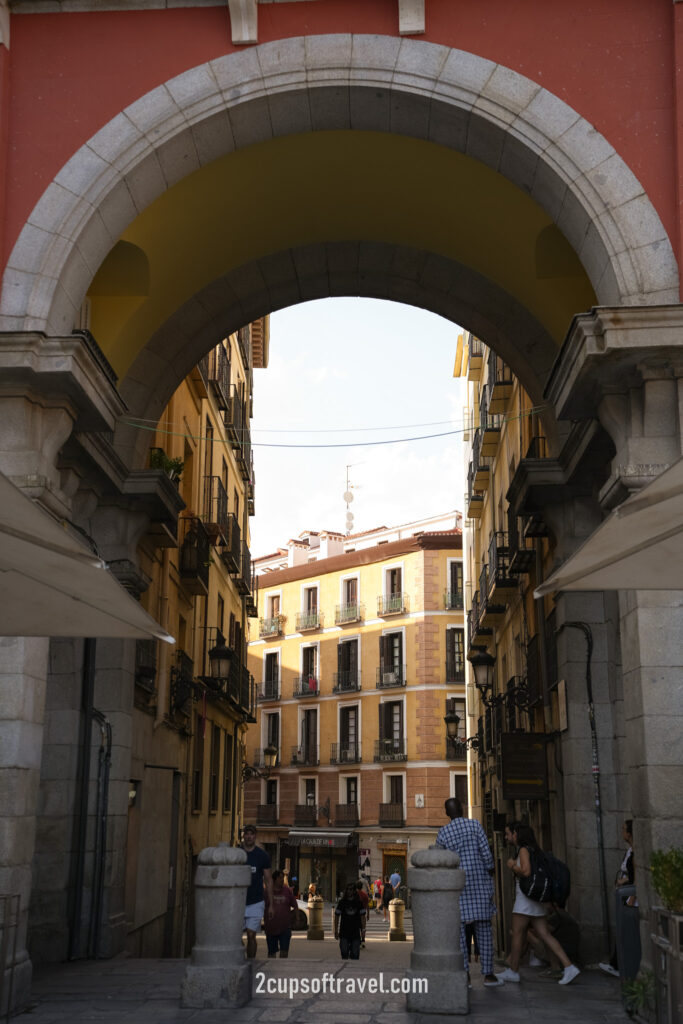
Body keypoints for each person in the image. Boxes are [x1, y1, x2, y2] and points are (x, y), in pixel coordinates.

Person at [496, 823, 580, 986]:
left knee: (518, 932)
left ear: (516, 833)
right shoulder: (535, 849)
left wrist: (513, 865)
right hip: (536, 899)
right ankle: (569, 966)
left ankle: (513, 971)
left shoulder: (523, 850)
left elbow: (526, 872)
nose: (506, 837)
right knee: (545, 934)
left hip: (526, 899)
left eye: (508, 834)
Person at [435, 797, 501, 987]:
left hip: (457, 888)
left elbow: (440, 860)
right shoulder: (475, 826)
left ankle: (465, 975)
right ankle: (488, 974)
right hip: (479, 884)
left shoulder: (443, 833)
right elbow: (486, 853)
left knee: (460, 934)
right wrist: (489, 869)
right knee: (485, 930)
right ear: (462, 810)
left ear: (447, 813)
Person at [600, 819, 635, 978]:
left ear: (630, 833)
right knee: (622, 929)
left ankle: (620, 965)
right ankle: (617, 963)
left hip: (630, 897)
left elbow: (636, 877)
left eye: (623, 829)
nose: (622, 832)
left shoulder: (635, 853)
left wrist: (625, 884)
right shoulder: (630, 851)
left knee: (627, 930)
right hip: (625, 895)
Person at [240, 824, 273, 959]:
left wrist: (270, 904)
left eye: (251, 834)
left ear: (255, 836)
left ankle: (251, 962)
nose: (249, 836)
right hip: (238, 902)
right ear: (243, 836)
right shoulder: (237, 854)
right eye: (246, 834)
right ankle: (240, 958)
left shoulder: (262, 856)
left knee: (251, 935)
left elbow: (268, 879)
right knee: (236, 937)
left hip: (256, 902)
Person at [265, 870, 297, 958]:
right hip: (271, 927)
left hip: (285, 927)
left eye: (283, 877)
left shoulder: (287, 891)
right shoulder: (267, 892)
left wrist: (295, 918)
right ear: (274, 879)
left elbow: (295, 906)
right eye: (280, 878)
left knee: (284, 952)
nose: (282, 879)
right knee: (271, 953)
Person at [335, 882, 366, 959]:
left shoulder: (358, 903)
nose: (349, 891)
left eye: (351, 889)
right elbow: (336, 916)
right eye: (348, 889)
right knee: (344, 952)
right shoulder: (342, 903)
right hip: (344, 931)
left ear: (354, 891)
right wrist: (336, 930)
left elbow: (363, 917)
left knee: (355, 955)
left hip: (355, 932)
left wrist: (363, 929)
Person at [355, 881, 369, 946]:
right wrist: (368, 914)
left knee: (356, 927)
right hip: (363, 913)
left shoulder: (354, 894)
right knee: (363, 927)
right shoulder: (365, 895)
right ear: (361, 887)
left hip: (355, 913)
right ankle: (363, 940)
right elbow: (367, 905)